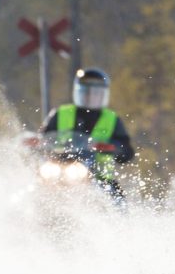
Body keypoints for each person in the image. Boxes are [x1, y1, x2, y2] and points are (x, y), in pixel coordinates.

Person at [39, 67, 136, 199]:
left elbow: (127, 152)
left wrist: (112, 147)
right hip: (59, 167)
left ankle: (118, 217)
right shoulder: (60, 113)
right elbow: (44, 138)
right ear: (78, 92)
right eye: (86, 92)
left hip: (99, 177)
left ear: (103, 95)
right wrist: (35, 142)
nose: (91, 96)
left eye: (96, 93)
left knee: (116, 198)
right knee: (34, 189)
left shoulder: (112, 119)